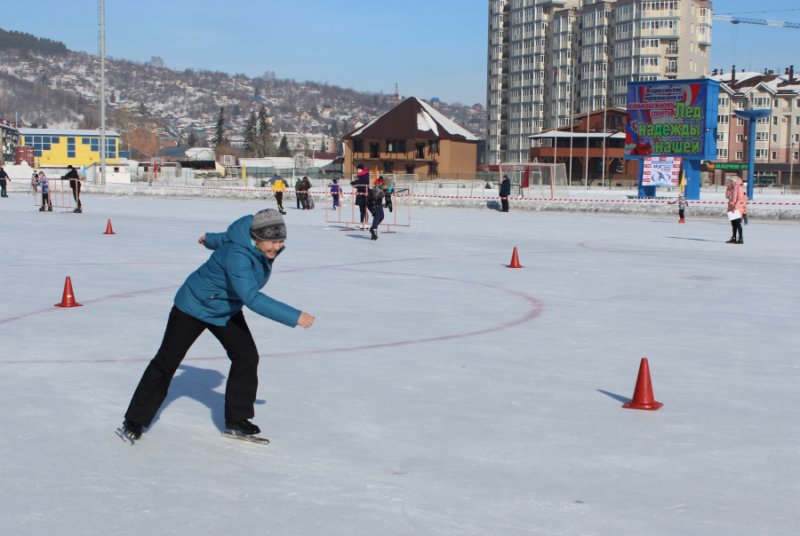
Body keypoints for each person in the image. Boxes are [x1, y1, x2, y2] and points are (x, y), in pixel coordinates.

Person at [120, 209, 316, 442]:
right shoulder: (238, 256)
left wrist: (208, 239)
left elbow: (225, 237)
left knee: (246, 357)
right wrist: (293, 316)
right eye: (272, 243)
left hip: (225, 309)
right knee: (166, 361)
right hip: (193, 306)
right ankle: (135, 420)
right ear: (256, 239)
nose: (276, 247)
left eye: (281, 242)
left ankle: (237, 420)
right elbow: (251, 297)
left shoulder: (247, 238)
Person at [350, 164, 370, 229]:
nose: (358, 170)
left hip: (364, 195)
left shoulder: (364, 176)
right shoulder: (361, 176)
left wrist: (355, 184)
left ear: (362, 169)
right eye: (357, 169)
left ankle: (366, 223)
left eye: (359, 169)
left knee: (364, 209)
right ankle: (361, 223)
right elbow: (359, 183)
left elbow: (361, 184)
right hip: (361, 195)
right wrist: (355, 185)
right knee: (362, 210)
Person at [725, 176, 744, 244]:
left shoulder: (739, 188)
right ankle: (734, 237)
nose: (731, 183)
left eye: (732, 181)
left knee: (738, 223)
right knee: (733, 224)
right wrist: (728, 189)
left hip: (736, 208)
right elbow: (727, 197)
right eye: (730, 181)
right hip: (731, 207)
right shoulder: (732, 188)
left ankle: (741, 238)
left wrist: (735, 207)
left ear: (735, 181)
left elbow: (740, 198)